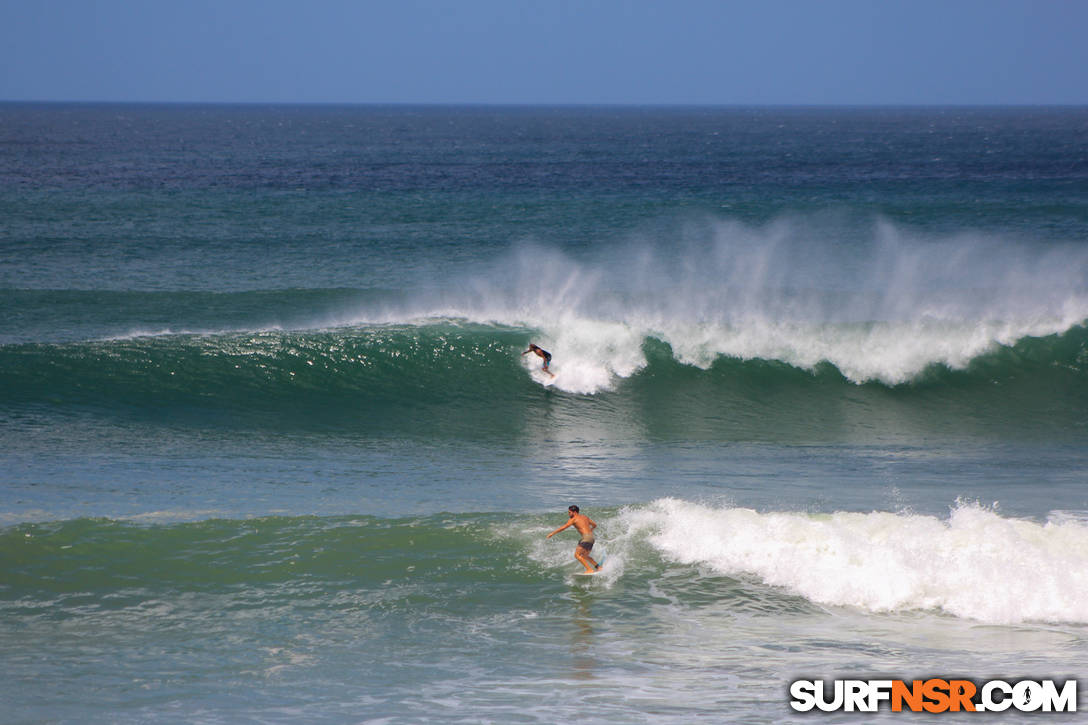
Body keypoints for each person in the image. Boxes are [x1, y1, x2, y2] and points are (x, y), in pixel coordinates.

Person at [546, 505, 601, 573]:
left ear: (574, 512)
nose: (568, 514)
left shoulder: (573, 519)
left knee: (577, 555)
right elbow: (595, 525)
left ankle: (589, 569)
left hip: (586, 538)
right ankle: (598, 567)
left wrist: (552, 533)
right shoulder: (585, 517)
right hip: (591, 538)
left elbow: (563, 527)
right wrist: (590, 530)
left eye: (569, 512)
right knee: (584, 556)